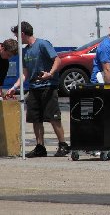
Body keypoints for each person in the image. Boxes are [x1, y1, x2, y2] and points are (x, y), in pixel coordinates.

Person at [7, 21, 70, 157]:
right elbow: (24, 74)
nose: (17, 39)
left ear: (22, 33)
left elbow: (57, 60)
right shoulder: (25, 51)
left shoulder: (42, 44)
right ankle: (40, 146)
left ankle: (63, 145)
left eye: (17, 35)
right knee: (35, 119)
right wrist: (14, 87)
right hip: (34, 87)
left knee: (54, 117)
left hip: (48, 86)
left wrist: (50, 73)